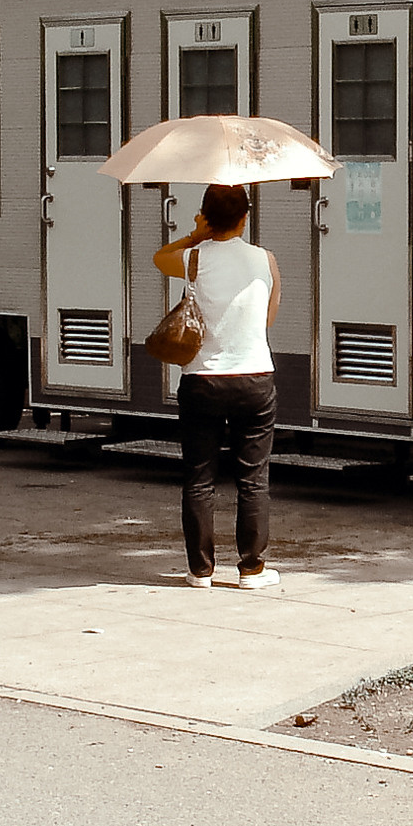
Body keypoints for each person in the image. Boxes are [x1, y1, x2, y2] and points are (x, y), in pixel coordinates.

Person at [151, 183, 281, 588]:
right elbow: (267, 322)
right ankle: (252, 569)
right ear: (246, 216)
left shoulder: (192, 260)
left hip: (202, 380)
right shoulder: (266, 260)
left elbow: (159, 258)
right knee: (253, 479)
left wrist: (196, 236)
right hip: (255, 378)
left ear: (206, 216)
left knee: (199, 477)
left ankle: (200, 570)